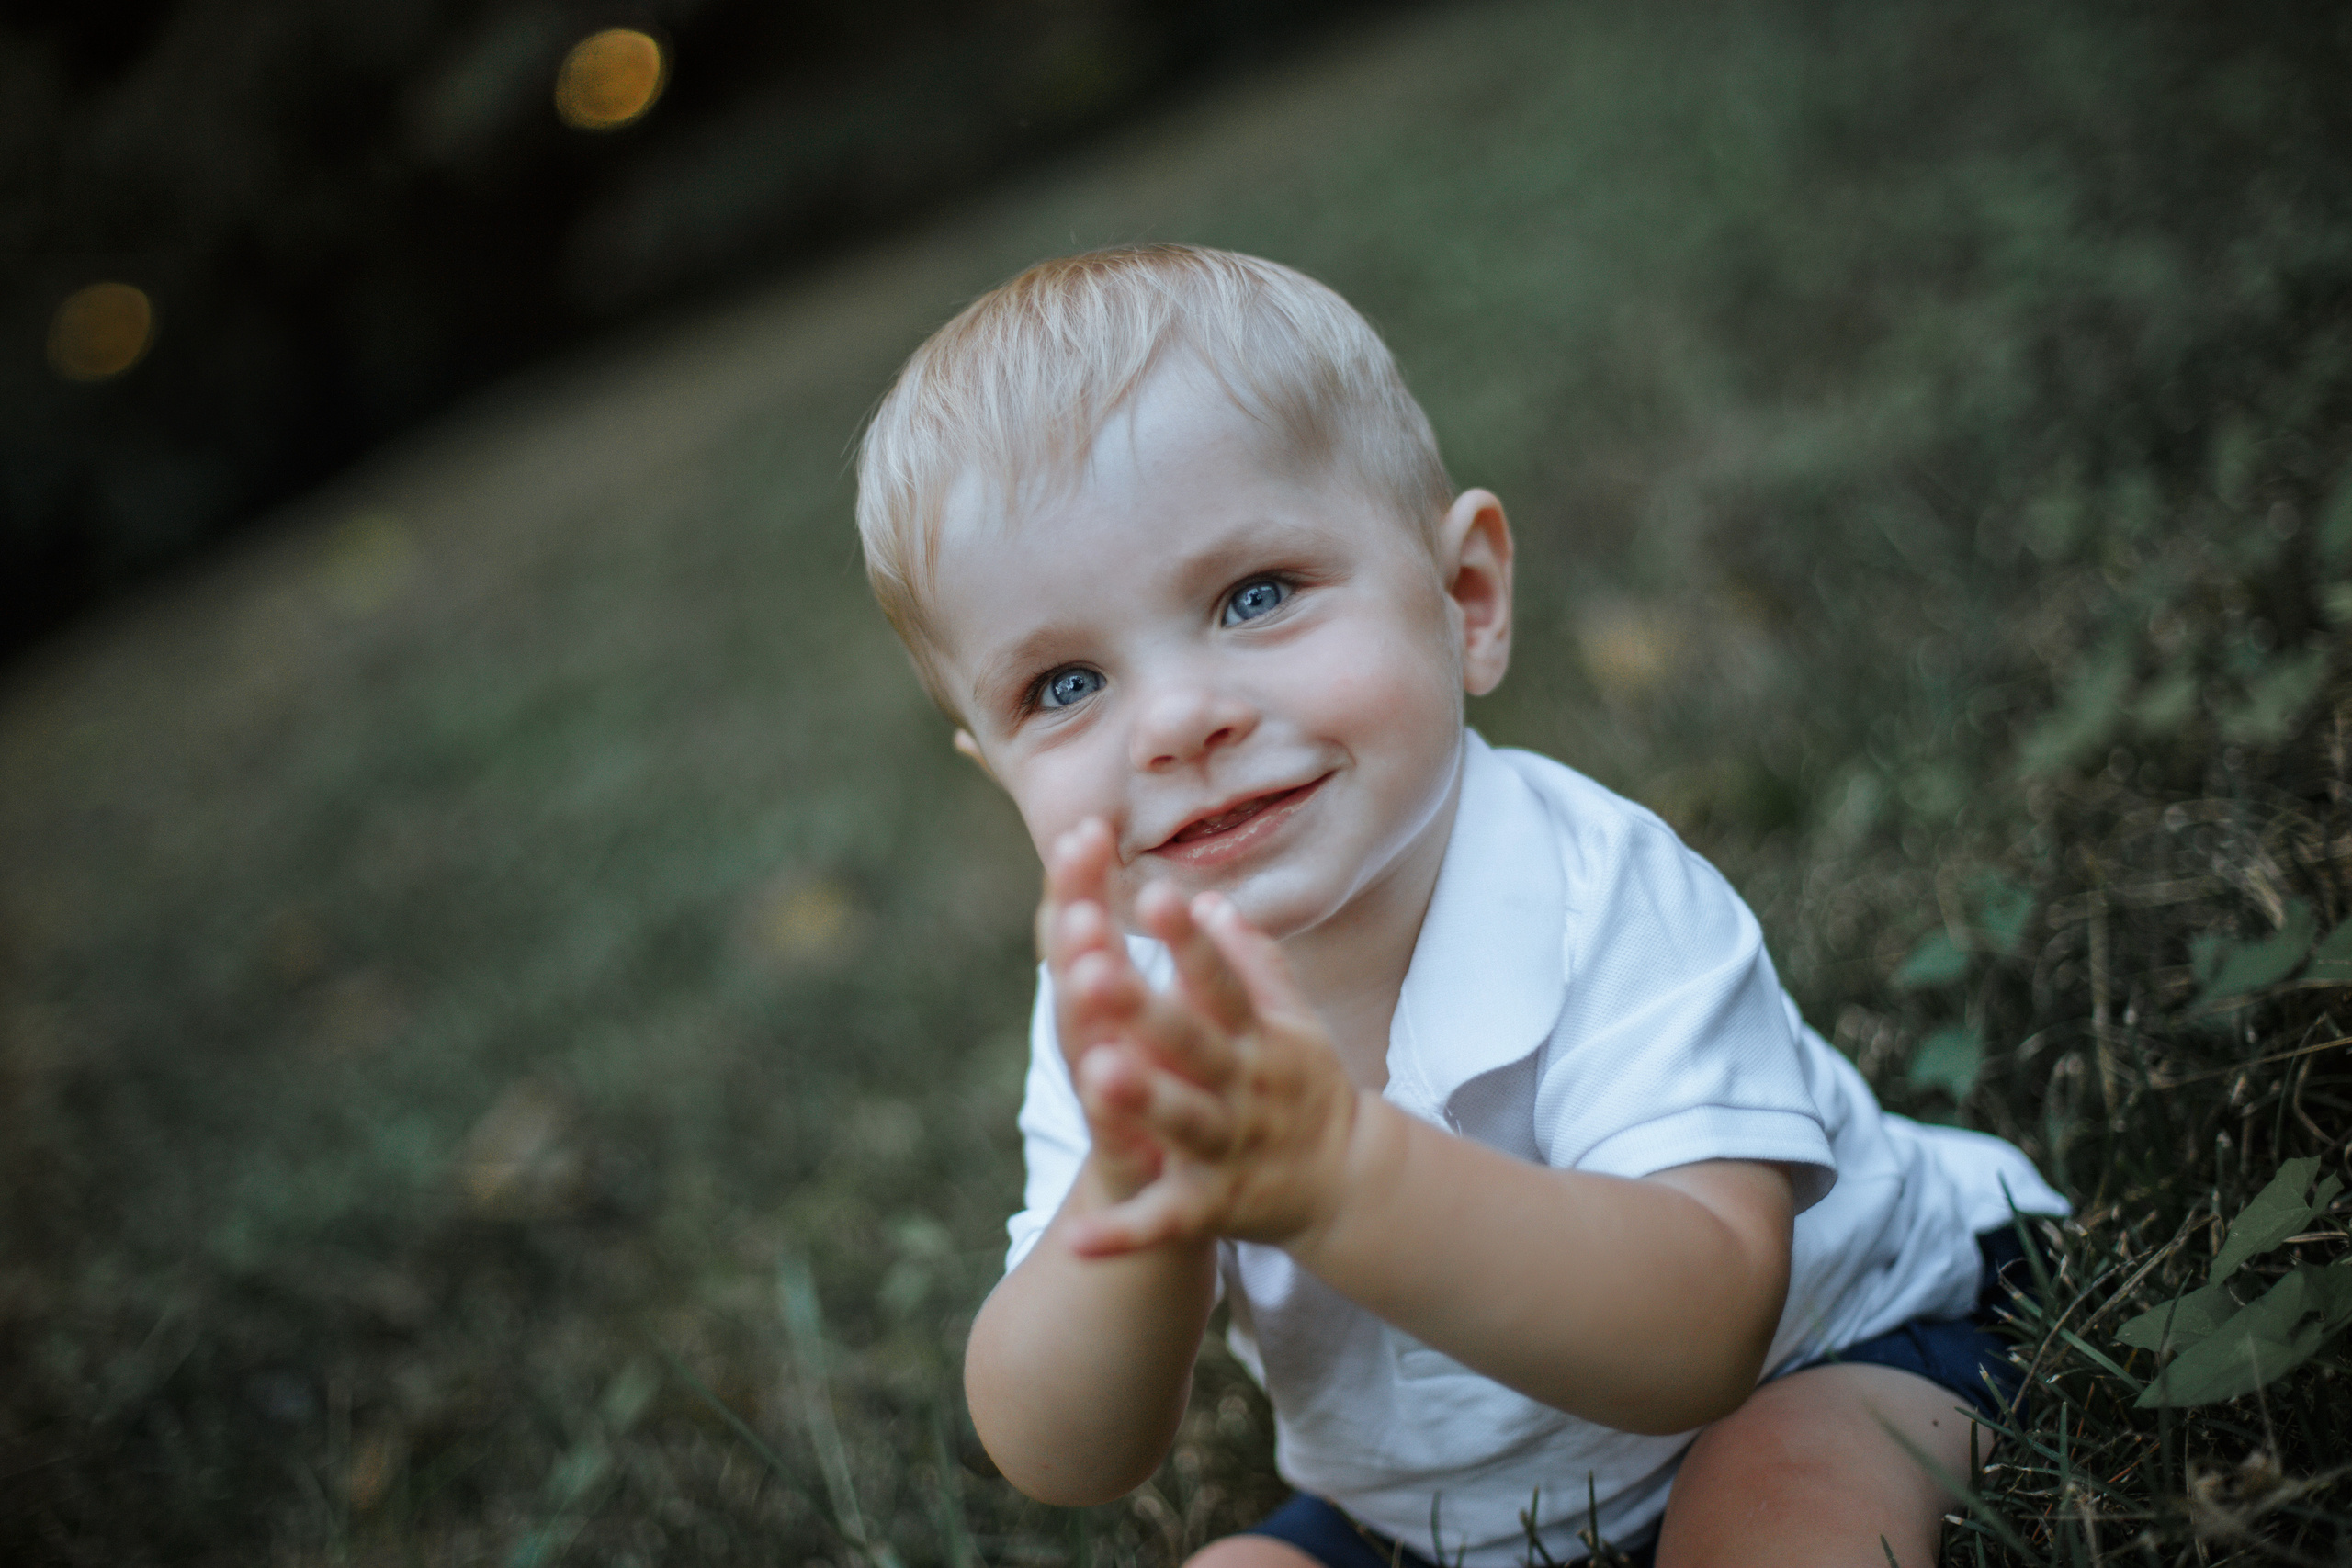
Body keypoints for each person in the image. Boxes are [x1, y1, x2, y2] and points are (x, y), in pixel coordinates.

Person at [853, 244, 2065, 1568]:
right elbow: (1068, 1456)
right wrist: (1126, 1191)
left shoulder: (1596, 887)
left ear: (1467, 600)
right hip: (1439, 1513)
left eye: (1256, 597)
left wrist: (1344, 1179)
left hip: (1829, 1353)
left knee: (1776, 1500)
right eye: (1066, 688)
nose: (1176, 722)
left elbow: (1706, 1331)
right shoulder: (1124, 1007)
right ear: (998, 770)